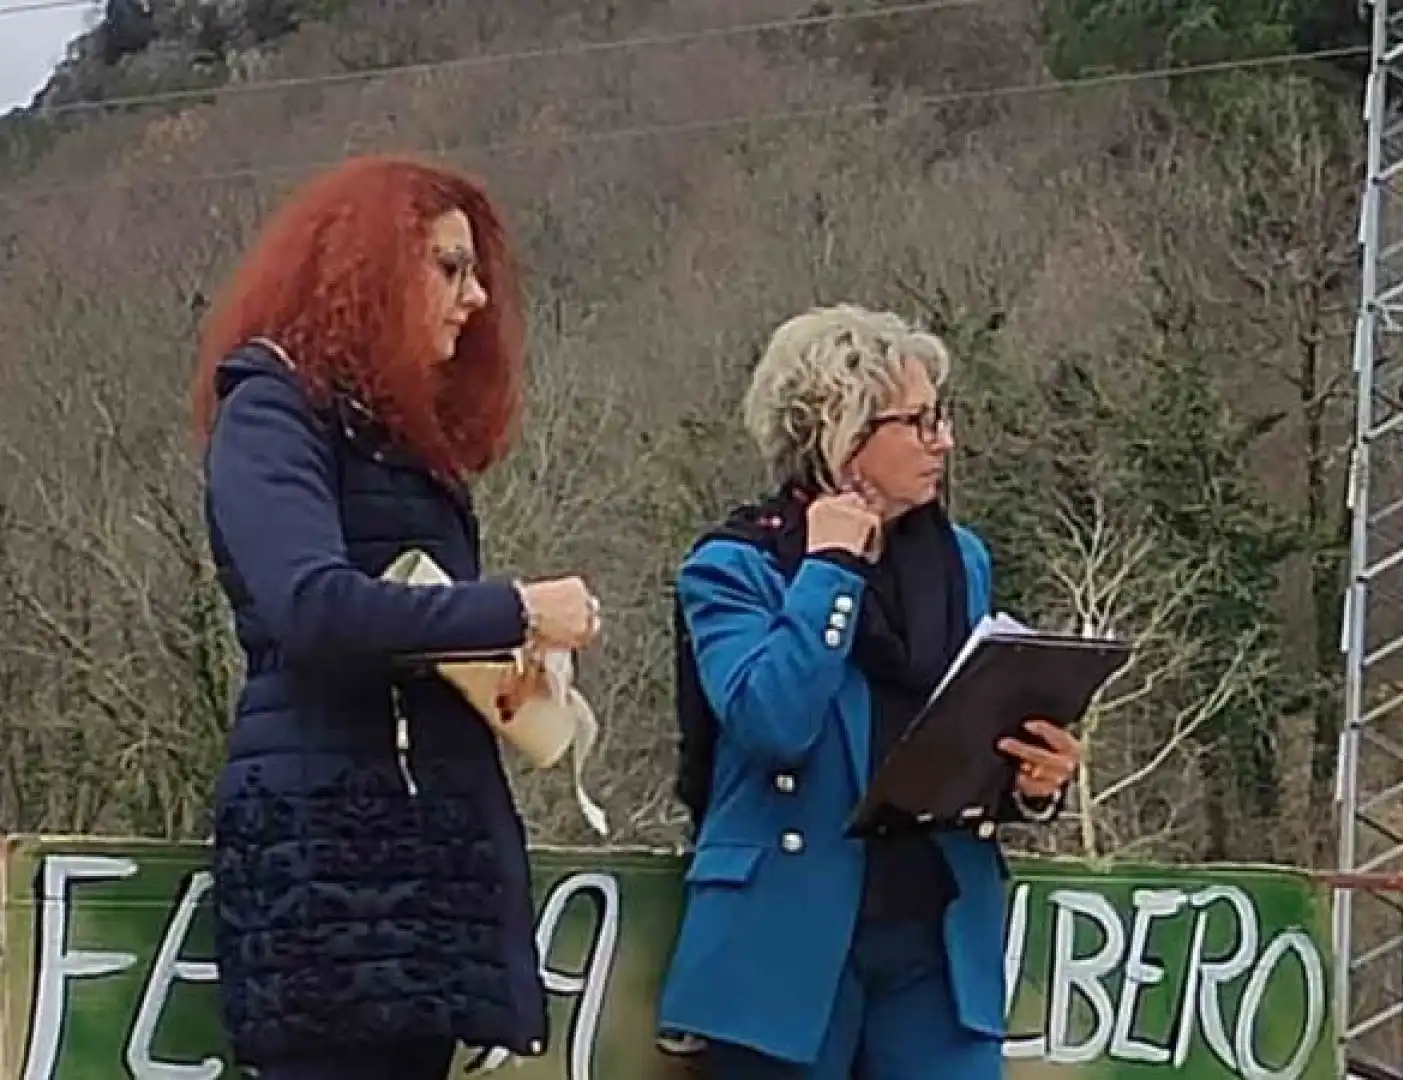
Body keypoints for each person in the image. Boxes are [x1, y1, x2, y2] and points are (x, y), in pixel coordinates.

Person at [191, 154, 604, 1080]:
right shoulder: (270, 413)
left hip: (417, 860)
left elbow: (401, 628)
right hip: (326, 862)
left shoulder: (393, 441)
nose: (476, 295)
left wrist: (504, 665)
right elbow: (312, 607)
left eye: (477, 270)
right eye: (448, 267)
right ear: (367, 272)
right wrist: (512, 609)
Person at [656, 303, 1081, 1079]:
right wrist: (831, 571)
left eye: (942, 416)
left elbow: (962, 727)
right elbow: (773, 722)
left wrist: (1033, 782)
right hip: (783, 943)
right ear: (842, 431)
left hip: (937, 934)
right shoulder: (732, 567)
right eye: (918, 421)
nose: (943, 440)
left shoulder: (960, 562)